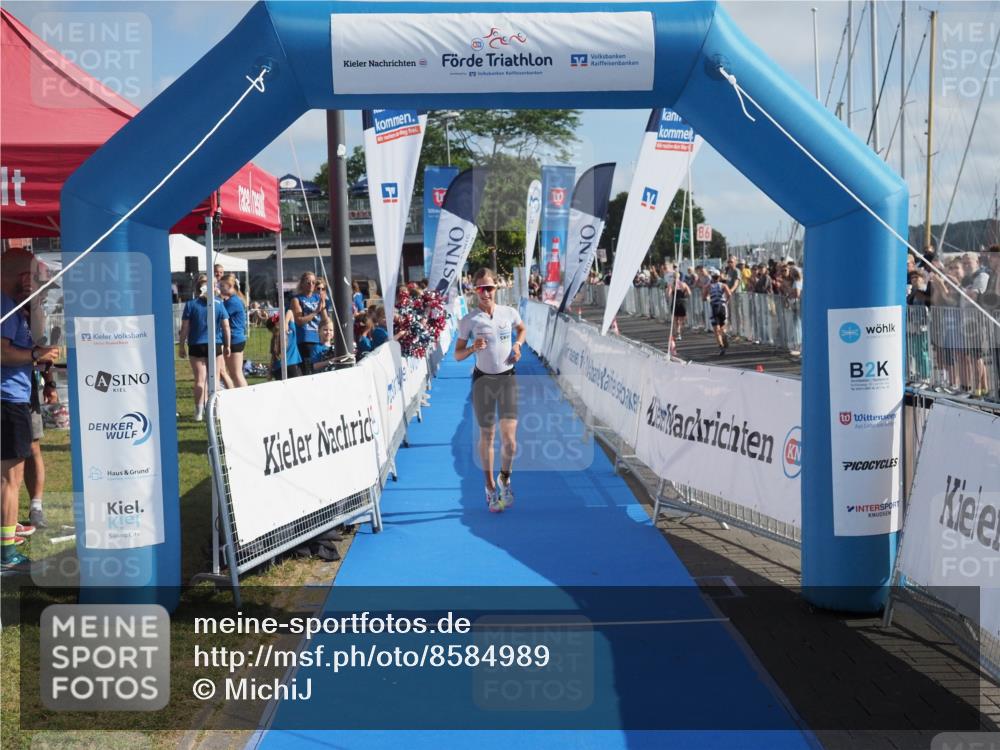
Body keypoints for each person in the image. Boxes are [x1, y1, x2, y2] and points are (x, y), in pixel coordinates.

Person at [1, 249, 60, 570]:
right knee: (8, 479)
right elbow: (3, 353)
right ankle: (6, 555)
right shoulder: (4, 305)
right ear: (24, 276)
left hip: (15, 398)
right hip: (7, 399)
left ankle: (6, 538)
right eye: (33, 276)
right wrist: (37, 354)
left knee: (10, 474)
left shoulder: (15, 306)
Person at [454, 268, 527, 513]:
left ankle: (505, 478)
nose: (486, 293)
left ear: (497, 288)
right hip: (483, 381)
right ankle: (489, 488)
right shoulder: (470, 320)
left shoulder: (509, 312)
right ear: (475, 291)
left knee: (511, 443)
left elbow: (522, 329)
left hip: (507, 379)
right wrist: (473, 348)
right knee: (488, 437)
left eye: (490, 288)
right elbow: (457, 355)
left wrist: (517, 345)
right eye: (481, 288)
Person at [178, 274, 231, 421]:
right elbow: (226, 327)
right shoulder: (219, 303)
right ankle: (215, 411)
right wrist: (228, 345)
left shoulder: (190, 305)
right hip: (215, 344)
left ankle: (199, 412)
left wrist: (181, 345)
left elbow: (185, 327)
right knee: (214, 379)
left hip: (196, 344)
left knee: (199, 380)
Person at [290, 272, 327, 375]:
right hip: (305, 339)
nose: (311, 284)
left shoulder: (317, 298)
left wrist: (323, 306)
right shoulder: (297, 299)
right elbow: (299, 321)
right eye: (308, 282)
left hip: (318, 339)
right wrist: (315, 312)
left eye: (313, 282)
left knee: (318, 370)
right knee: (307, 370)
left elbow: (325, 319)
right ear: (302, 283)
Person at [218, 274, 248, 389]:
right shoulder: (232, 300)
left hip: (234, 339)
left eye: (222, 286)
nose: (219, 288)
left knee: (236, 374)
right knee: (234, 373)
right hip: (235, 339)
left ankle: (245, 397)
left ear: (230, 286)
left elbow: (220, 316)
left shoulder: (233, 302)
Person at [703, 270, 732, 355]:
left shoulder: (708, 286)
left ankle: (721, 346)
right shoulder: (723, 285)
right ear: (719, 277)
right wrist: (726, 301)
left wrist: (707, 297)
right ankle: (724, 334)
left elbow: (703, 297)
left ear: (712, 277)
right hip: (722, 307)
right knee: (722, 325)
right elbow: (729, 294)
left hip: (714, 307)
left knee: (716, 329)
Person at [268, 310, 303, 379]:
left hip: (278, 369)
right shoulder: (291, 331)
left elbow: (273, 357)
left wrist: (270, 370)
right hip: (292, 366)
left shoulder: (274, 340)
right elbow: (290, 312)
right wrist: (286, 322)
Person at [668, 274, 691, 341]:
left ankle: (678, 333)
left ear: (674, 277)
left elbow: (668, 295)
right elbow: (689, 293)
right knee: (681, 320)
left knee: (675, 320)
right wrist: (684, 295)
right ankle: (679, 333)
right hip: (682, 302)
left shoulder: (672, 285)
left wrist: (670, 290)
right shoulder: (684, 284)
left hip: (675, 302)